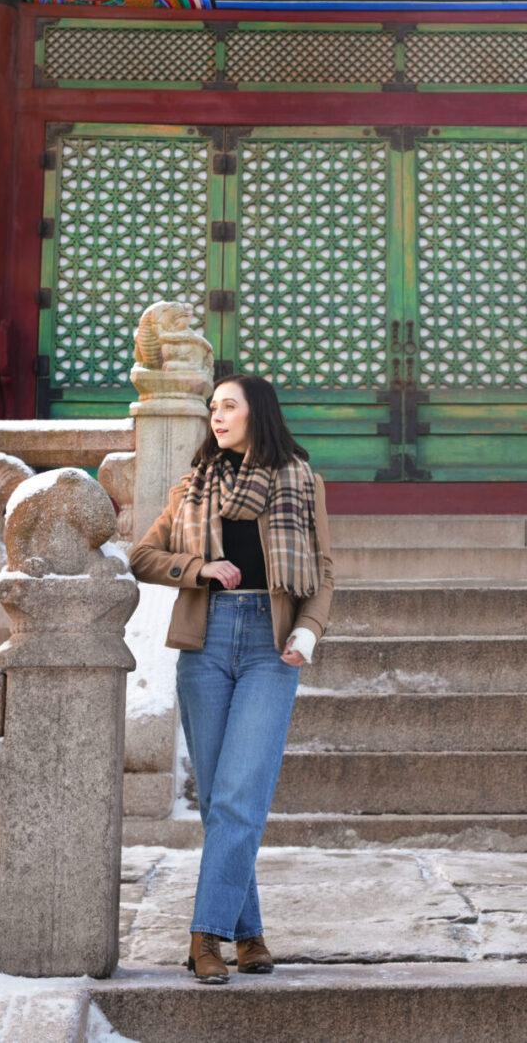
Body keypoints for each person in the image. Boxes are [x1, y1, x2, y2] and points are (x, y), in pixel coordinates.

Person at [130, 373, 335, 984]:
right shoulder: (193, 486)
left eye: (228, 406)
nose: (216, 416)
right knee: (224, 800)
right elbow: (143, 556)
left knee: (241, 793)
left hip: (272, 646)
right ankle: (248, 935)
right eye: (212, 407)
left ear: (257, 414)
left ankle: (205, 934)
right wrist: (198, 567)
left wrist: (310, 629)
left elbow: (323, 568)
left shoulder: (301, 482)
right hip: (208, 641)